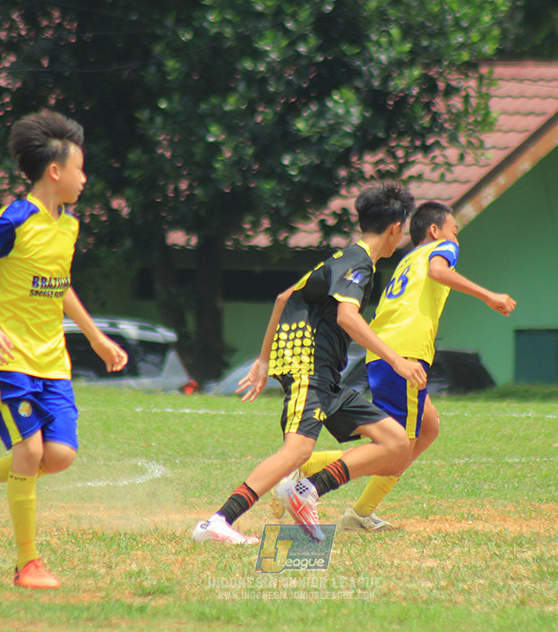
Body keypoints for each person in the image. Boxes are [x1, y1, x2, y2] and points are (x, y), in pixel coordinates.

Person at [0, 110, 128, 589]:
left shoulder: (67, 225)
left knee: (60, 456)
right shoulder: (14, 219)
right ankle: (27, 563)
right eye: (80, 168)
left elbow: (59, 283)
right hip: (3, 357)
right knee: (28, 451)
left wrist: (94, 335)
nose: (84, 178)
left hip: (52, 359)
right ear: (56, 171)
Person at [192, 182, 428, 545]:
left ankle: (306, 490)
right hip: (308, 366)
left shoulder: (343, 259)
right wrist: (397, 361)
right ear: (396, 228)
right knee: (298, 449)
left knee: (395, 442)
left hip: (325, 374)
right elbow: (348, 318)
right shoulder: (358, 263)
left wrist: (264, 359)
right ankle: (218, 522)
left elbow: (284, 296)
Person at [278, 201, 515, 531]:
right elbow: (439, 271)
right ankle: (304, 475)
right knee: (395, 450)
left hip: (389, 350)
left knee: (427, 428)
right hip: (403, 355)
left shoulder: (408, 259)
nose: (456, 240)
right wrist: (488, 295)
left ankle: (357, 511)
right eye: (455, 232)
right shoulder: (441, 249)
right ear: (435, 231)